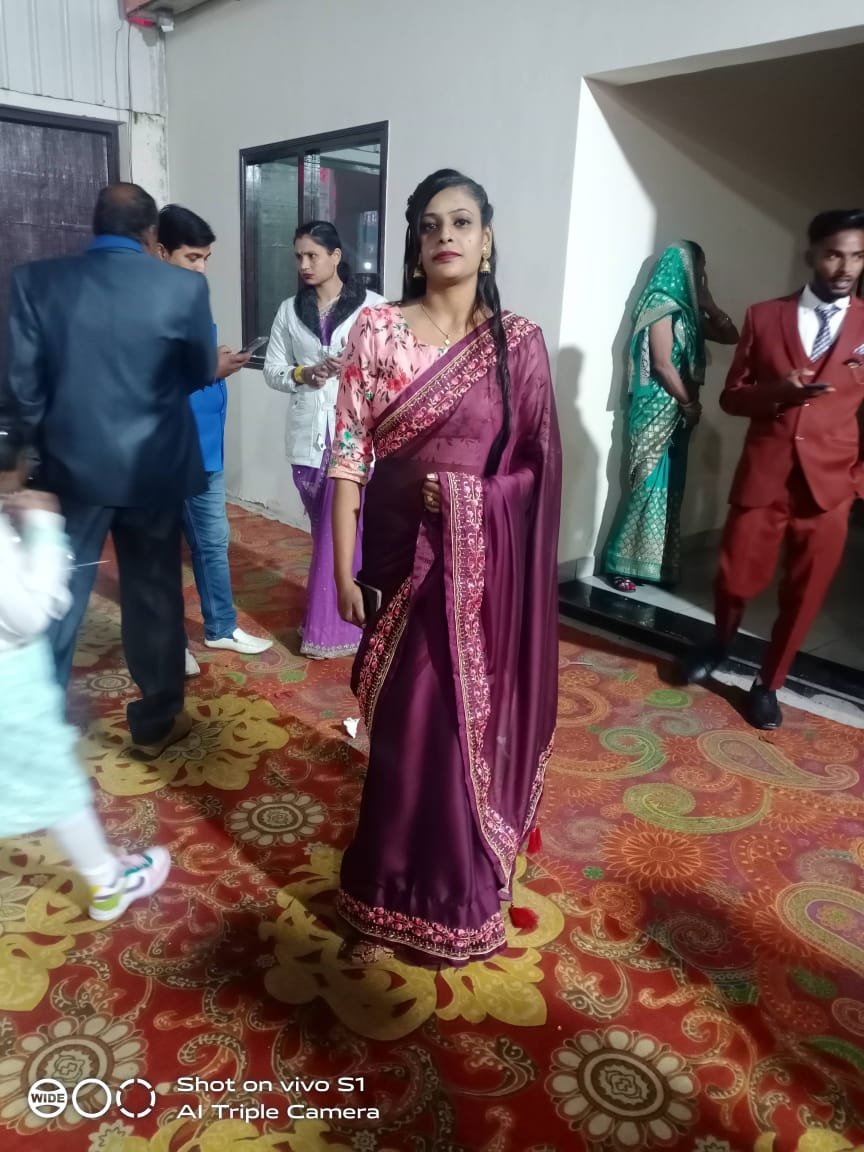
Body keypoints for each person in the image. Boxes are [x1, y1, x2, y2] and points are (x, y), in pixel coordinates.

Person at [329, 170, 562, 966]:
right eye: (430, 225)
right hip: (399, 560)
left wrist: (473, 500)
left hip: (481, 573)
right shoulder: (378, 330)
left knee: (462, 727)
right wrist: (340, 571)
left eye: (461, 222)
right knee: (403, 730)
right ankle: (383, 894)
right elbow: (349, 455)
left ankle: (454, 895)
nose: (445, 237)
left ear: (487, 239)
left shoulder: (517, 345)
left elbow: (536, 470)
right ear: (415, 242)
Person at [2, 183, 215, 759]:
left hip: (69, 471)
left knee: (55, 594)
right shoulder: (183, 287)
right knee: (154, 595)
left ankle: (33, 726)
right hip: (154, 467)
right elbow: (198, 368)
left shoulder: (36, 282)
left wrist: (13, 464)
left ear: (93, 225)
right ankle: (156, 724)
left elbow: (21, 389)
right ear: (151, 233)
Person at [684, 209, 864, 729]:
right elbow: (732, 397)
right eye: (834, 255)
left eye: (857, 256)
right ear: (811, 255)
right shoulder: (764, 316)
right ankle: (720, 641)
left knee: (804, 595)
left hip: (831, 487)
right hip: (766, 474)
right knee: (734, 578)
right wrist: (778, 393)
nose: (846, 267)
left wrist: (857, 481)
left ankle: (769, 683)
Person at [0, 420, 169, 921]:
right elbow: (31, 614)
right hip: (12, 683)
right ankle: (108, 882)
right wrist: (44, 532)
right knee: (57, 783)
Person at [157, 205, 273, 676]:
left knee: (213, 542)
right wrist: (210, 368)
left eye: (206, 258)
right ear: (160, 252)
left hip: (206, 448)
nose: (201, 268)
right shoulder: (147, 306)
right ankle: (170, 645)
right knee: (162, 553)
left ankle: (221, 626)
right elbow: (150, 381)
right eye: (192, 257)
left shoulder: (192, 298)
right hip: (171, 449)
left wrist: (216, 359)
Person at [264, 222, 384, 659]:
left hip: (354, 436)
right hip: (308, 439)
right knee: (324, 535)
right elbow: (273, 370)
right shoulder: (289, 310)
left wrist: (353, 369)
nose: (304, 264)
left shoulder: (373, 307)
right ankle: (349, 615)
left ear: (336, 256)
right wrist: (304, 373)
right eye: (298, 256)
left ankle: (330, 629)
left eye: (313, 255)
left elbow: (390, 368)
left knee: (345, 532)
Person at [603, 242, 739, 591]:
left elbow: (731, 336)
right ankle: (621, 563)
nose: (701, 276)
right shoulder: (660, 306)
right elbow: (662, 364)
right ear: (683, 268)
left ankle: (658, 565)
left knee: (672, 486)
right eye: (698, 268)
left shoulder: (689, 312)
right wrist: (689, 404)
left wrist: (709, 305)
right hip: (658, 407)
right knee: (647, 486)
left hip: (678, 410)